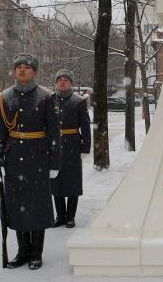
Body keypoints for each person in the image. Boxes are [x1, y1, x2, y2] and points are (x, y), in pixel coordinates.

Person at [0, 53, 60, 270]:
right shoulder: (5, 98)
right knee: (18, 206)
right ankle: (22, 251)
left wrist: (55, 164)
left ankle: (36, 253)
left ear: (35, 72)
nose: (22, 70)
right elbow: (0, 133)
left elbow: (54, 133)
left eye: (27, 67)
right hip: (13, 160)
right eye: (18, 66)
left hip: (38, 159)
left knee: (37, 206)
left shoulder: (46, 97)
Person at [51, 69, 91, 228]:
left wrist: (85, 147)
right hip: (54, 146)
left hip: (72, 145)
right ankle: (60, 216)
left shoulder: (78, 102)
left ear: (71, 83)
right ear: (56, 83)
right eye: (59, 79)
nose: (62, 82)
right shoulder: (49, 101)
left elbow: (86, 127)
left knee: (72, 182)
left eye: (66, 79)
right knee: (55, 181)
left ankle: (70, 216)